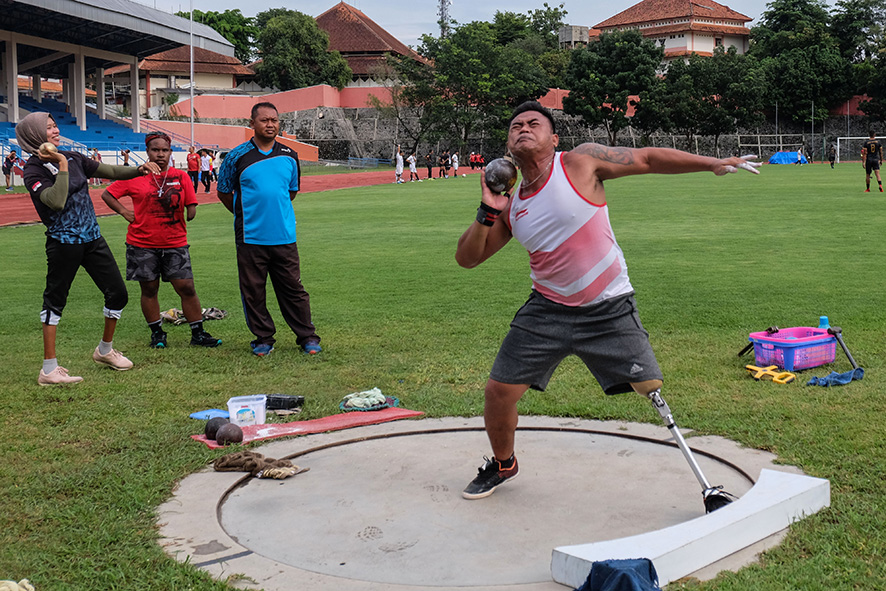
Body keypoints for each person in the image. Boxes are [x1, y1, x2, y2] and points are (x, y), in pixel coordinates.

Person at [454, 101, 761, 499]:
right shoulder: (513, 206)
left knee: (649, 384)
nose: (524, 129)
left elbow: (648, 158)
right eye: (516, 126)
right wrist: (488, 211)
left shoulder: (581, 163)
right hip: (546, 310)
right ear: (507, 143)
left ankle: (707, 489)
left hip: (609, 306)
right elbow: (468, 259)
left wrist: (711, 163)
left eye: (534, 124)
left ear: (554, 138)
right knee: (498, 392)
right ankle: (503, 463)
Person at [16, 111, 162, 385]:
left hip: (92, 239)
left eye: (55, 125)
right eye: (48, 128)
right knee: (55, 302)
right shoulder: (33, 170)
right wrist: (60, 162)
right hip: (63, 243)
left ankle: (104, 351)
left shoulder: (74, 156)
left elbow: (109, 171)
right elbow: (56, 201)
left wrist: (138, 170)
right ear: (35, 136)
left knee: (118, 294)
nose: (56, 131)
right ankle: (48, 369)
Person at [217, 102, 322, 357]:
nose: (270, 124)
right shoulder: (236, 156)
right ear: (251, 123)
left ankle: (307, 337)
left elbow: (291, 192)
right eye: (264, 120)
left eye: (274, 120)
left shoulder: (289, 154)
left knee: (293, 289)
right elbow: (223, 192)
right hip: (251, 236)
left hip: (284, 236)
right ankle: (263, 338)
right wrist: (247, 214)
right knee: (253, 290)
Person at [101, 131, 221, 349]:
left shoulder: (180, 176)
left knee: (186, 287)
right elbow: (107, 194)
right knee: (149, 288)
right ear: (147, 152)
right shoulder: (135, 176)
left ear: (170, 152)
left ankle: (198, 333)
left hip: (175, 242)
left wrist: (190, 209)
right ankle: (157, 333)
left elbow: (191, 204)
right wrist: (124, 212)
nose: (160, 154)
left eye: (164, 150)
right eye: (155, 150)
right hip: (142, 243)